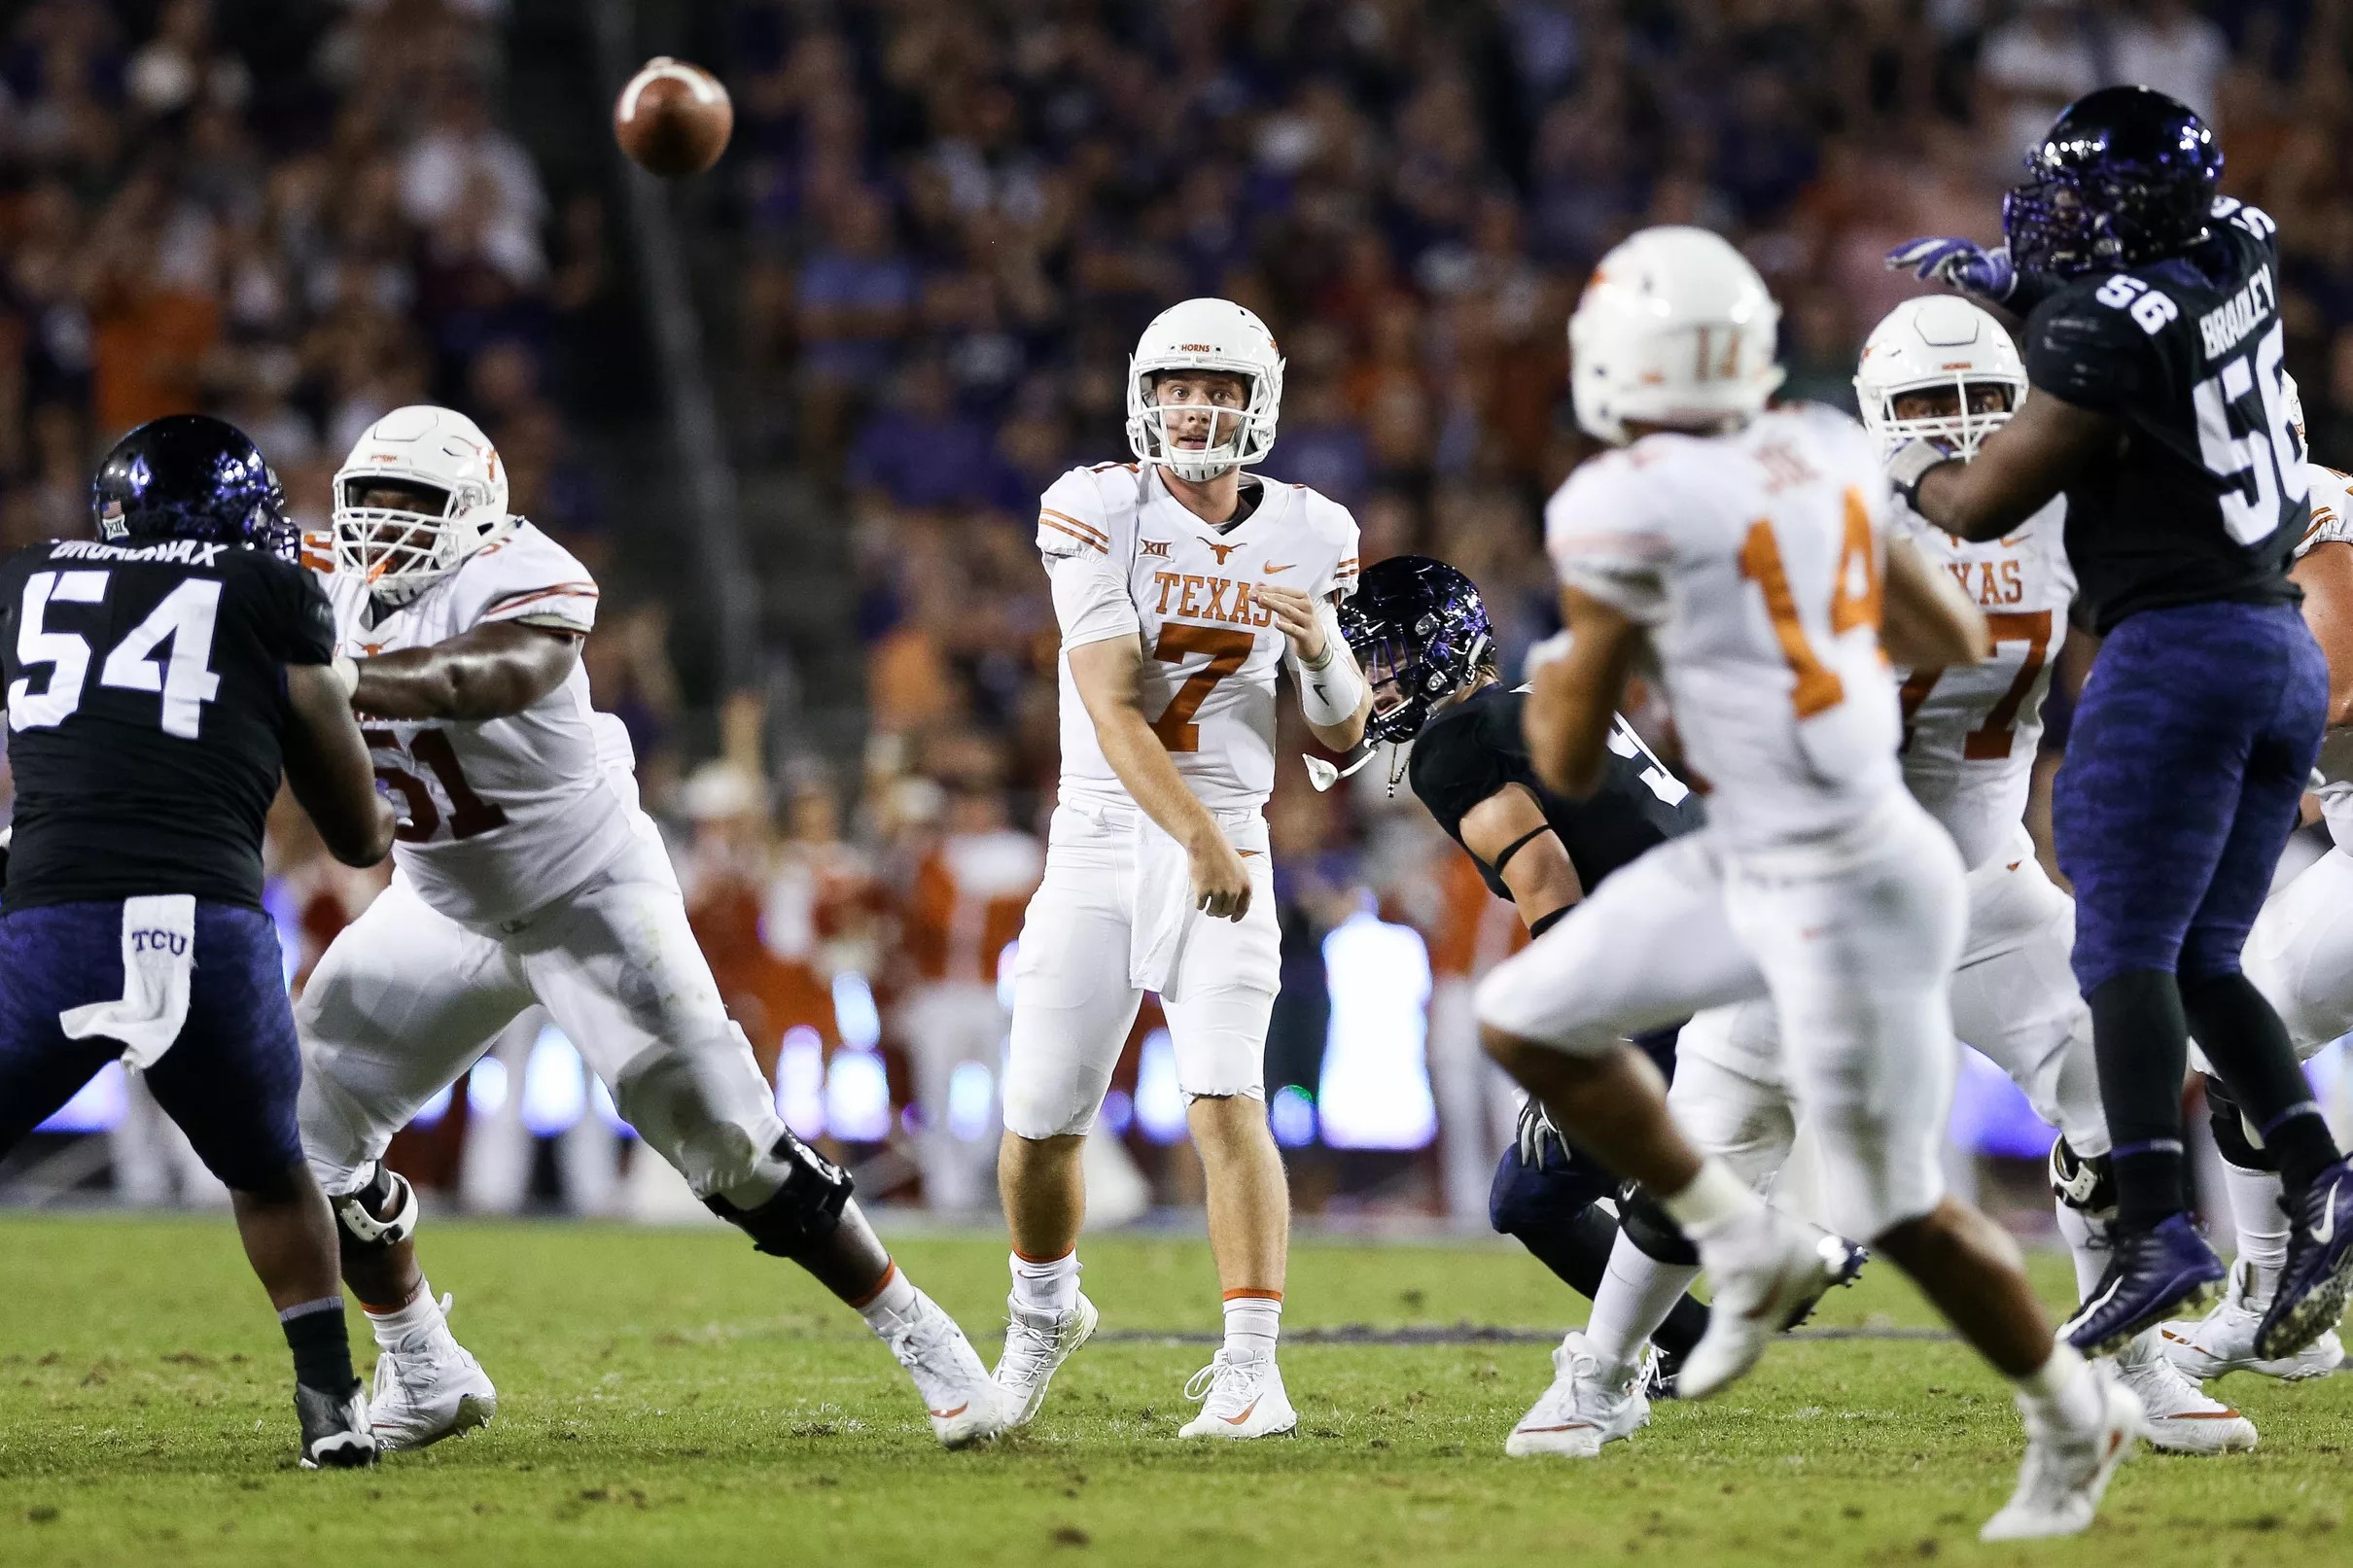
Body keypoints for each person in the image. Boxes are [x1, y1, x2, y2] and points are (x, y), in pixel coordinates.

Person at [1477, 225, 2138, 1542]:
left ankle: (2072, 1388)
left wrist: (1581, 680)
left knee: (1568, 1038)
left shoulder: (1616, 506)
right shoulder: (1831, 457)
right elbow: (1943, 632)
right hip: (1834, 857)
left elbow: (1567, 752)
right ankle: (1768, 1265)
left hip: (1830, 865)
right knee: (1798, 1153)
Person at [1568, 294, 2252, 1455]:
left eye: (1984, 402)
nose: (1957, 426)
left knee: (2106, 1073)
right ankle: (1596, 1369)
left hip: (1983, 877)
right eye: (1929, 404)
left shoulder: (2063, 518)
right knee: (1715, 1133)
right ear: (1880, 415)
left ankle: (2130, 1357)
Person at [294, 405, 1010, 1452]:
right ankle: (422, 1363)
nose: (387, 528)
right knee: (306, 1133)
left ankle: (925, 1334)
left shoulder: (530, 574)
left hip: (587, 894)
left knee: (738, 1156)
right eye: (372, 503)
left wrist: (334, 680)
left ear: (480, 515)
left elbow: (476, 678)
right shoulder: (318, 578)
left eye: (417, 504)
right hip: (442, 902)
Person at [1886, 86, 2353, 1359]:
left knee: (2122, 955)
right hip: (2272, 648)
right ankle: (2321, 1177)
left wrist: (1909, 465)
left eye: (2082, 198)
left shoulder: (2101, 328)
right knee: (2205, 960)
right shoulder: (2239, 241)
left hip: (2180, 644)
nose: (2057, 216)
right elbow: (2144, 317)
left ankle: (2156, 1224)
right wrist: (2028, 289)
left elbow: (1981, 501)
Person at [994, 298, 1370, 1440]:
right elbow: (1111, 709)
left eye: (1216, 388)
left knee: (1224, 1096)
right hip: (1105, 835)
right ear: (1141, 396)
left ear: (1258, 405)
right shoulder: (1094, 503)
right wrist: (1194, 840)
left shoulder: (1313, 528)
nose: (1194, 406)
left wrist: (1321, 648)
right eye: (1175, 386)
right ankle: (1041, 1311)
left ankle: (1253, 1366)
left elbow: (1342, 738)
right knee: (1040, 1126)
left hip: (1232, 827)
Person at [0, 415, 396, 1468]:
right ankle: (329, 1405)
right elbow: (357, 834)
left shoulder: (27, 575)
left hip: (52, 922)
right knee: (270, 1172)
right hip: (208, 931)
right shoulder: (272, 592)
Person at [1336, 554, 1726, 1456]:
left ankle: (1703, 1323)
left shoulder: (1456, 742)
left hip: (1682, 971)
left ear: (1442, 644)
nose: (1375, 676)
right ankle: (1710, 1304)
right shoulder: (1530, 703)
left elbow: (1549, 877)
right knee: (1646, 1169)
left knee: (1531, 1194)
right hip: (1731, 941)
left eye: (1389, 653)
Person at [2166, 378, 2353, 1382]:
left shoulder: (2318, 511)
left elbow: (2329, 685)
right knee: (2244, 1020)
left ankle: (2274, 1292)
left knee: (2244, 1011)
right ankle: (2276, 1305)